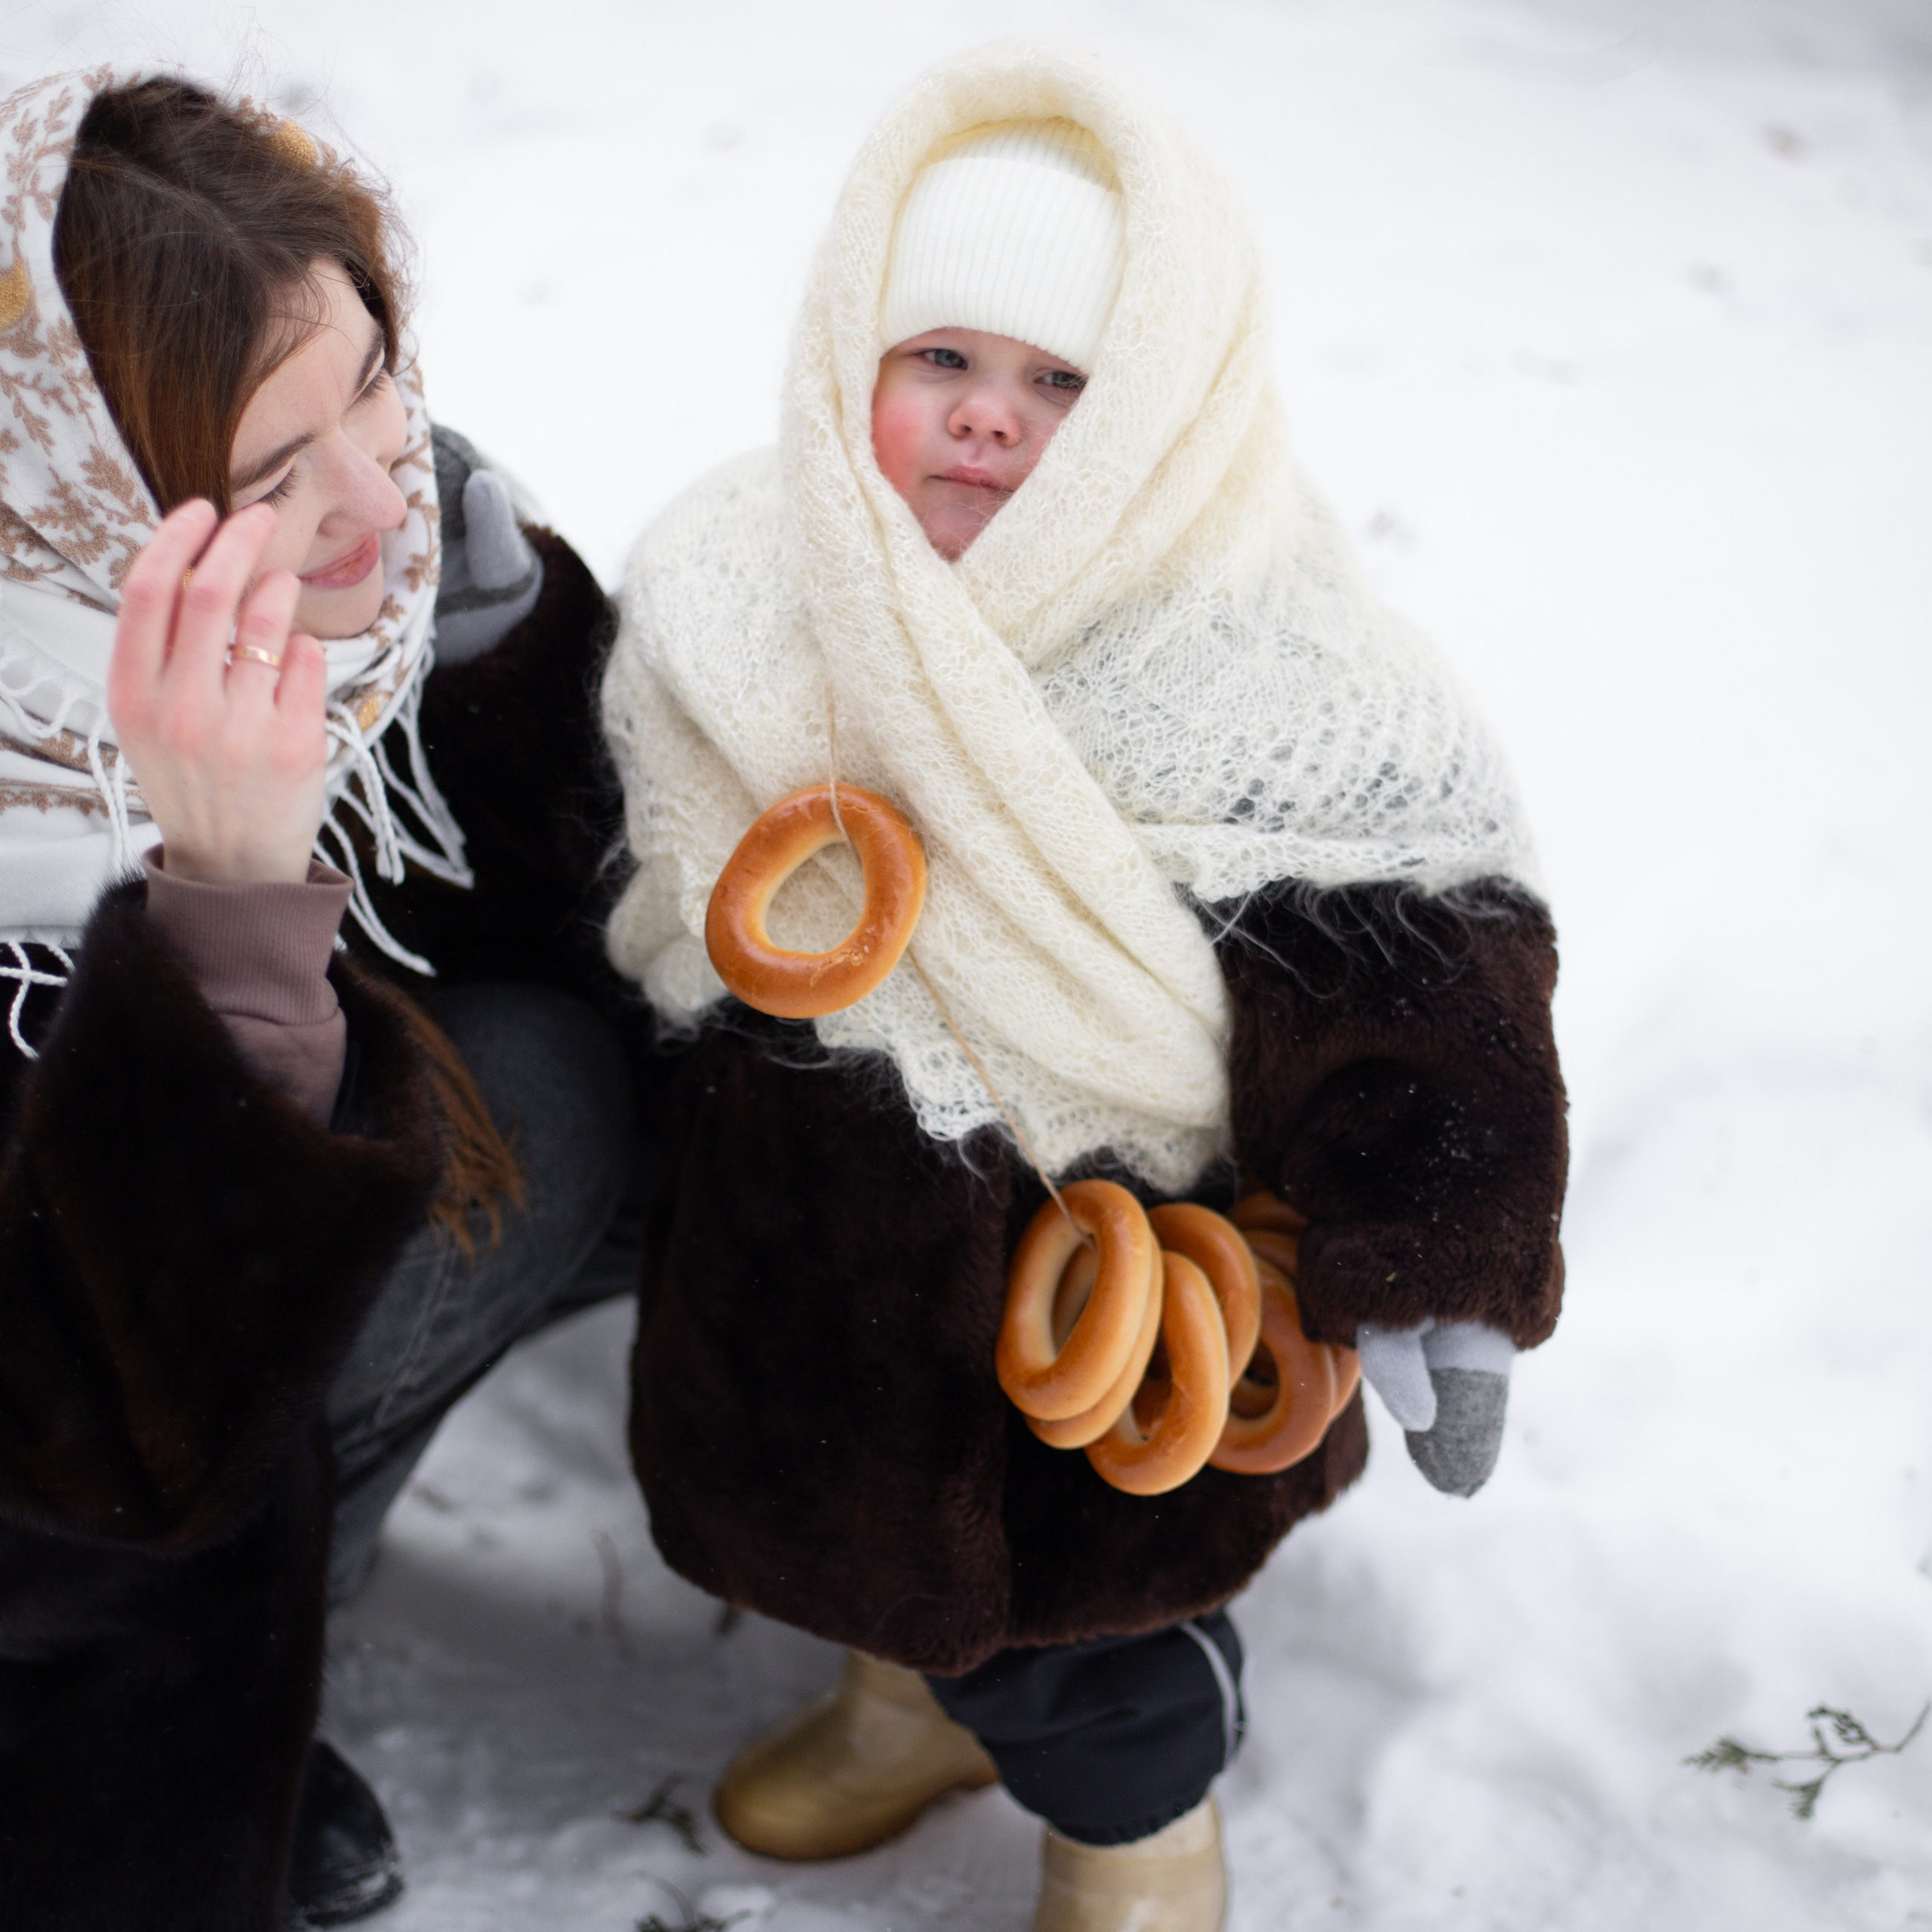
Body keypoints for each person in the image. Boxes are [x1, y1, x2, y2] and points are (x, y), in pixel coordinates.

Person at [601, 42, 1568, 1932]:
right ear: (846, 358)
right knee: (847, 1528)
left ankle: (1139, 1837)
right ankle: (899, 1709)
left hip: (1110, 1313)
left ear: (1160, 420)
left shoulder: (1267, 674)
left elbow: (1418, 986)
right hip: (803, 1254)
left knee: (1084, 1647)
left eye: (1061, 383)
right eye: (939, 356)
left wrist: (1436, 1256)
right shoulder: (734, 587)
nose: (987, 414)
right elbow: (612, 842)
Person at [0, 70, 651, 1931]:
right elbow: (92, 1430)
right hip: (61, 1474)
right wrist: (222, 904)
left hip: (254, 1270)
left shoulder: (381, 547)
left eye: (374, 371)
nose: (380, 489)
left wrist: (517, 662)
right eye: (270, 479)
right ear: (79, 498)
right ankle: (200, 1703)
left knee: (597, 1079)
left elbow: (575, 929)